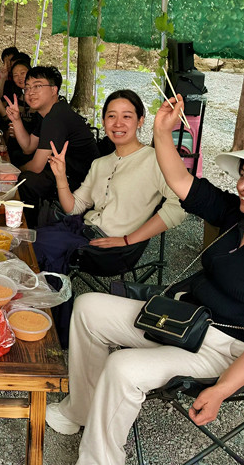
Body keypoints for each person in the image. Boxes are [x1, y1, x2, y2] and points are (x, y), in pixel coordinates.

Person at [45, 94, 244, 465]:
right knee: (87, 306)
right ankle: (81, 407)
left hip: (223, 351)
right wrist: (162, 132)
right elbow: (181, 182)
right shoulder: (237, 216)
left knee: (123, 367)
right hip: (183, 319)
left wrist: (223, 389)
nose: (243, 183)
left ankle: (99, 460)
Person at [33, 89, 186, 344]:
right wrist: (60, 176)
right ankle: (36, 316)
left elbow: (179, 207)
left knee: (39, 247)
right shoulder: (101, 163)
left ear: (140, 121)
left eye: (127, 116)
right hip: (82, 231)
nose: (118, 124)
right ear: (103, 121)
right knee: (28, 240)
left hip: (113, 250)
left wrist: (128, 240)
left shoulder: (156, 160)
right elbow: (75, 207)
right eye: (111, 116)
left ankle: (52, 332)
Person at [5, 65, 100, 225]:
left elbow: (36, 167)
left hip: (80, 181)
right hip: (62, 171)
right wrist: (16, 120)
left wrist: (12, 172)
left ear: (54, 90)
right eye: (27, 88)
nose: (30, 92)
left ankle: (30, 227)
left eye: (38, 86)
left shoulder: (56, 117)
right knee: (17, 160)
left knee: (26, 180)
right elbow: (28, 146)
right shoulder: (47, 114)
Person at [0, 54, 33, 165]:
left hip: (29, 148)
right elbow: (8, 117)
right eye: (15, 75)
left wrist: (20, 131)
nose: (19, 77)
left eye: (23, 73)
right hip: (17, 144)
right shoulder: (20, 96)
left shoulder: (36, 99)